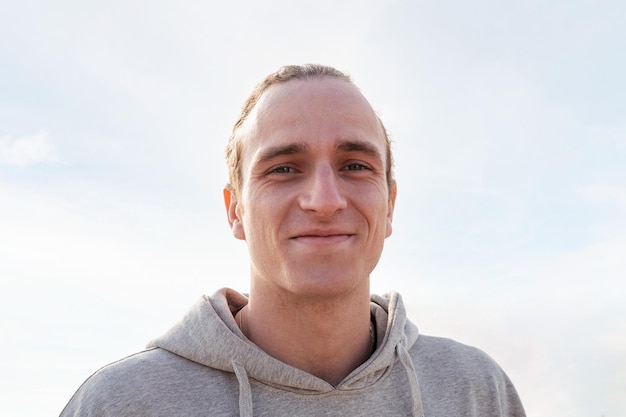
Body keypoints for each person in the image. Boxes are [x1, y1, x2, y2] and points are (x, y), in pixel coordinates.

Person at [60, 64, 525, 416]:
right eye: (283, 168)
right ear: (235, 210)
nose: (324, 200)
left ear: (390, 207)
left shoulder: (476, 392)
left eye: (355, 166)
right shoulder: (121, 404)